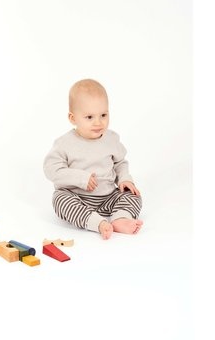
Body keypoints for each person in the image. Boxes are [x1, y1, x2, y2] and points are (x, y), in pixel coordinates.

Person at [43, 79, 143, 240]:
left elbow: (120, 163)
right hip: (77, 197)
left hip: (108, 197)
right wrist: (80, 178)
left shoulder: (111, 139)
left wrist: (125, 179)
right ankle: (97, 223)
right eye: (89, 117)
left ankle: (120, 218)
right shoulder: (64, 143)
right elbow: (51, 170)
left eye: (103, 115)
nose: (98, 122)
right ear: (73, 118)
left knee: (133, 194)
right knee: (60, 200)